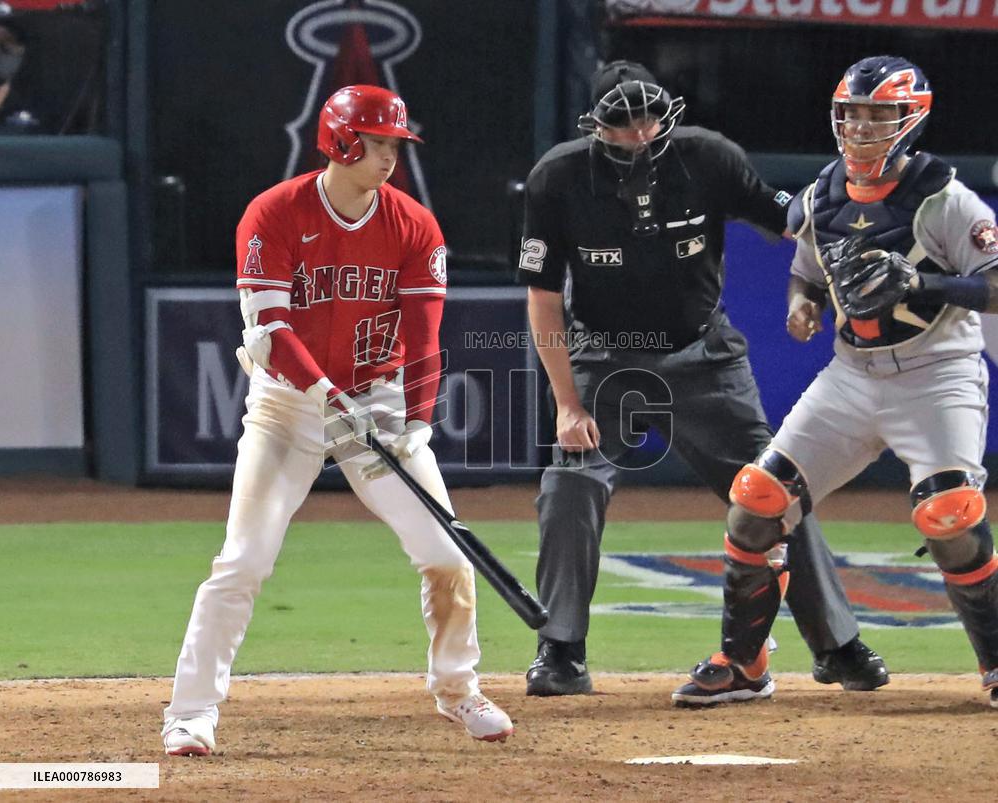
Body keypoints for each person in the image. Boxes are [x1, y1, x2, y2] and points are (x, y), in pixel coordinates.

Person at [517, 60, 889, 699]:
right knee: (569, 483)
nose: (639, 133)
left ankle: (837, 645)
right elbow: (543, 298)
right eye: (623, 122)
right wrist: (567, 404)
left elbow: (795, 223)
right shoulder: (558, 177)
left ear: (666, 114)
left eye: (648, 118)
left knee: (776, 490)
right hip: (606, 356)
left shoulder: (708, 158)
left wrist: (824, 274)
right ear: (596, 126)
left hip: (703, 353)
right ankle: (561, 649)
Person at [162, 84, 514, 755]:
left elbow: (425, 334)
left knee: (446, 552)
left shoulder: (414, 225)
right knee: (243, 560)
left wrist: (415, 418)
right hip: (287, 407)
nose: (388, 157)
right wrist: (326, 393)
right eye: (377, 143)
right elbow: (269, 329)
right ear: (341, 141)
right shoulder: (274, 212)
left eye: (394, 145)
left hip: (376, 402)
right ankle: (191, 712)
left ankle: (457, 686)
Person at [674, 55, 998, 708]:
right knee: (756, 501)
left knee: (947, 516)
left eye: (878, 115)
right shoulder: (823, 193)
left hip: (938, 373)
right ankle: (743, 661)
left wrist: (925, 282)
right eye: (852, 114)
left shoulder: (945, 197)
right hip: (852, 375)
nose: (861, 128)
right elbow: (808, 268)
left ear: (910, 121)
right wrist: (803, 301)